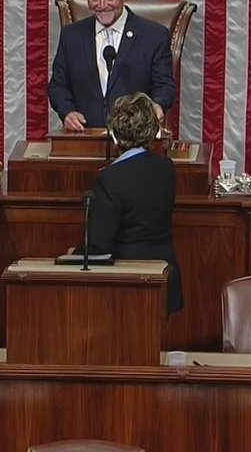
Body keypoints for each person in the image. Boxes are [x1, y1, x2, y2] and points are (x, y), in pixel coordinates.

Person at [73, 92, 183, 314]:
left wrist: (74, 255)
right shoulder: (166, 168)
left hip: (128, 284)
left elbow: (98, 246)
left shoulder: (110, 179)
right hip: (165, 276)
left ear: (114, 135)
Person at [48, 0, 176, 131]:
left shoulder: (153, 35)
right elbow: (58, 86)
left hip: (135, 137)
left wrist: (158, 105)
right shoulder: (71, 36)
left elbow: (165, 85)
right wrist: (67, 112)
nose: (102, 6)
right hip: (85, 136)